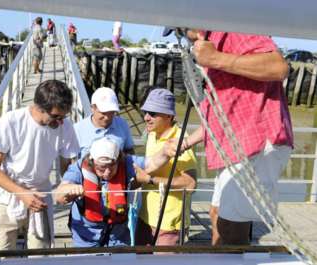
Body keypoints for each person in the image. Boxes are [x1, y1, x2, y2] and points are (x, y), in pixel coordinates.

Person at [180, 30, 293, 245]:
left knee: (231, 228)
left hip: (255, 142)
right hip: (234, 148)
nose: (186, 38)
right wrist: (185, 143)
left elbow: (279, 67)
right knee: (217, 216)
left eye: (183, 30)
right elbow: (221, 114)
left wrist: (216, 59)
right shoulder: (208, 45)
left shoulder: (231, 28)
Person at [0, 80, 79, 250]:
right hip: (7, 195)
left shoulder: (65, 126)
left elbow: (69, 165)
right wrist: (22, 193)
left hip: (41, 194)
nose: (60, 122)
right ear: (39, 107)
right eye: (56, 117)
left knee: (42, 256)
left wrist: (67, 185)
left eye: (63, 116)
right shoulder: (11, 121)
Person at [55, 136, 180, 247]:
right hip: (87, 236)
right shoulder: (78, 168)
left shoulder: (127, 162)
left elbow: (152, 162)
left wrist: (166, 152)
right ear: (92, 162)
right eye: (102, 168)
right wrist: (69, 189)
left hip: (118, 235)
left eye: (112, 166)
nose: (107, 172)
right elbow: (59, 196)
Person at [134, 88, 197, 246]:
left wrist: (150, 179)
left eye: (153, 113)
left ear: (169, 115)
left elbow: (190, 184)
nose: (146, 118)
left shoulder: (180, 140)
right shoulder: (152, 133)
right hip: (145, 217)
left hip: (169, 223)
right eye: (146, 112)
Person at [74, 87, 134, 158]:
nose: (107, 117)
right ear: (93, 108)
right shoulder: (77, 130)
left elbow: (129, 150)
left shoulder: (122, 124)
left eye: (111, 112)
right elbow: (72, 160)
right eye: (103, 113)